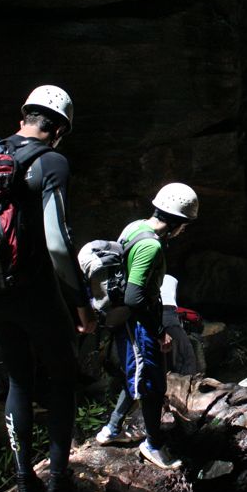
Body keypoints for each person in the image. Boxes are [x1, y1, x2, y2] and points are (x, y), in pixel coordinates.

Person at [0, 85, 96, 492]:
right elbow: (58, 244)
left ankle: (24, 484)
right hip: (38, 294)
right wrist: (80, 301)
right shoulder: (51, 162)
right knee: (62, 381)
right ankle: (57, 485)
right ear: (60, 130)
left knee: (17, 381)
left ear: (23, 117)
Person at [93, 183, 199, 471]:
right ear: (177, 222)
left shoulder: (135, 227)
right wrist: (159, 331)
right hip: (138, 324)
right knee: (152, 385)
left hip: (129, 320)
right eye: (185, 225)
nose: (184, 230)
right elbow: (134, 297)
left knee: (139, 375)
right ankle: (153, 445)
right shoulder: (151, 246)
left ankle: (112, 429)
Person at [160, 274, 198, 375]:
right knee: (186, 355)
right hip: (167, 311)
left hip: (164, 311)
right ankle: (189, 379)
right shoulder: (168, 277)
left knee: (171, 354)